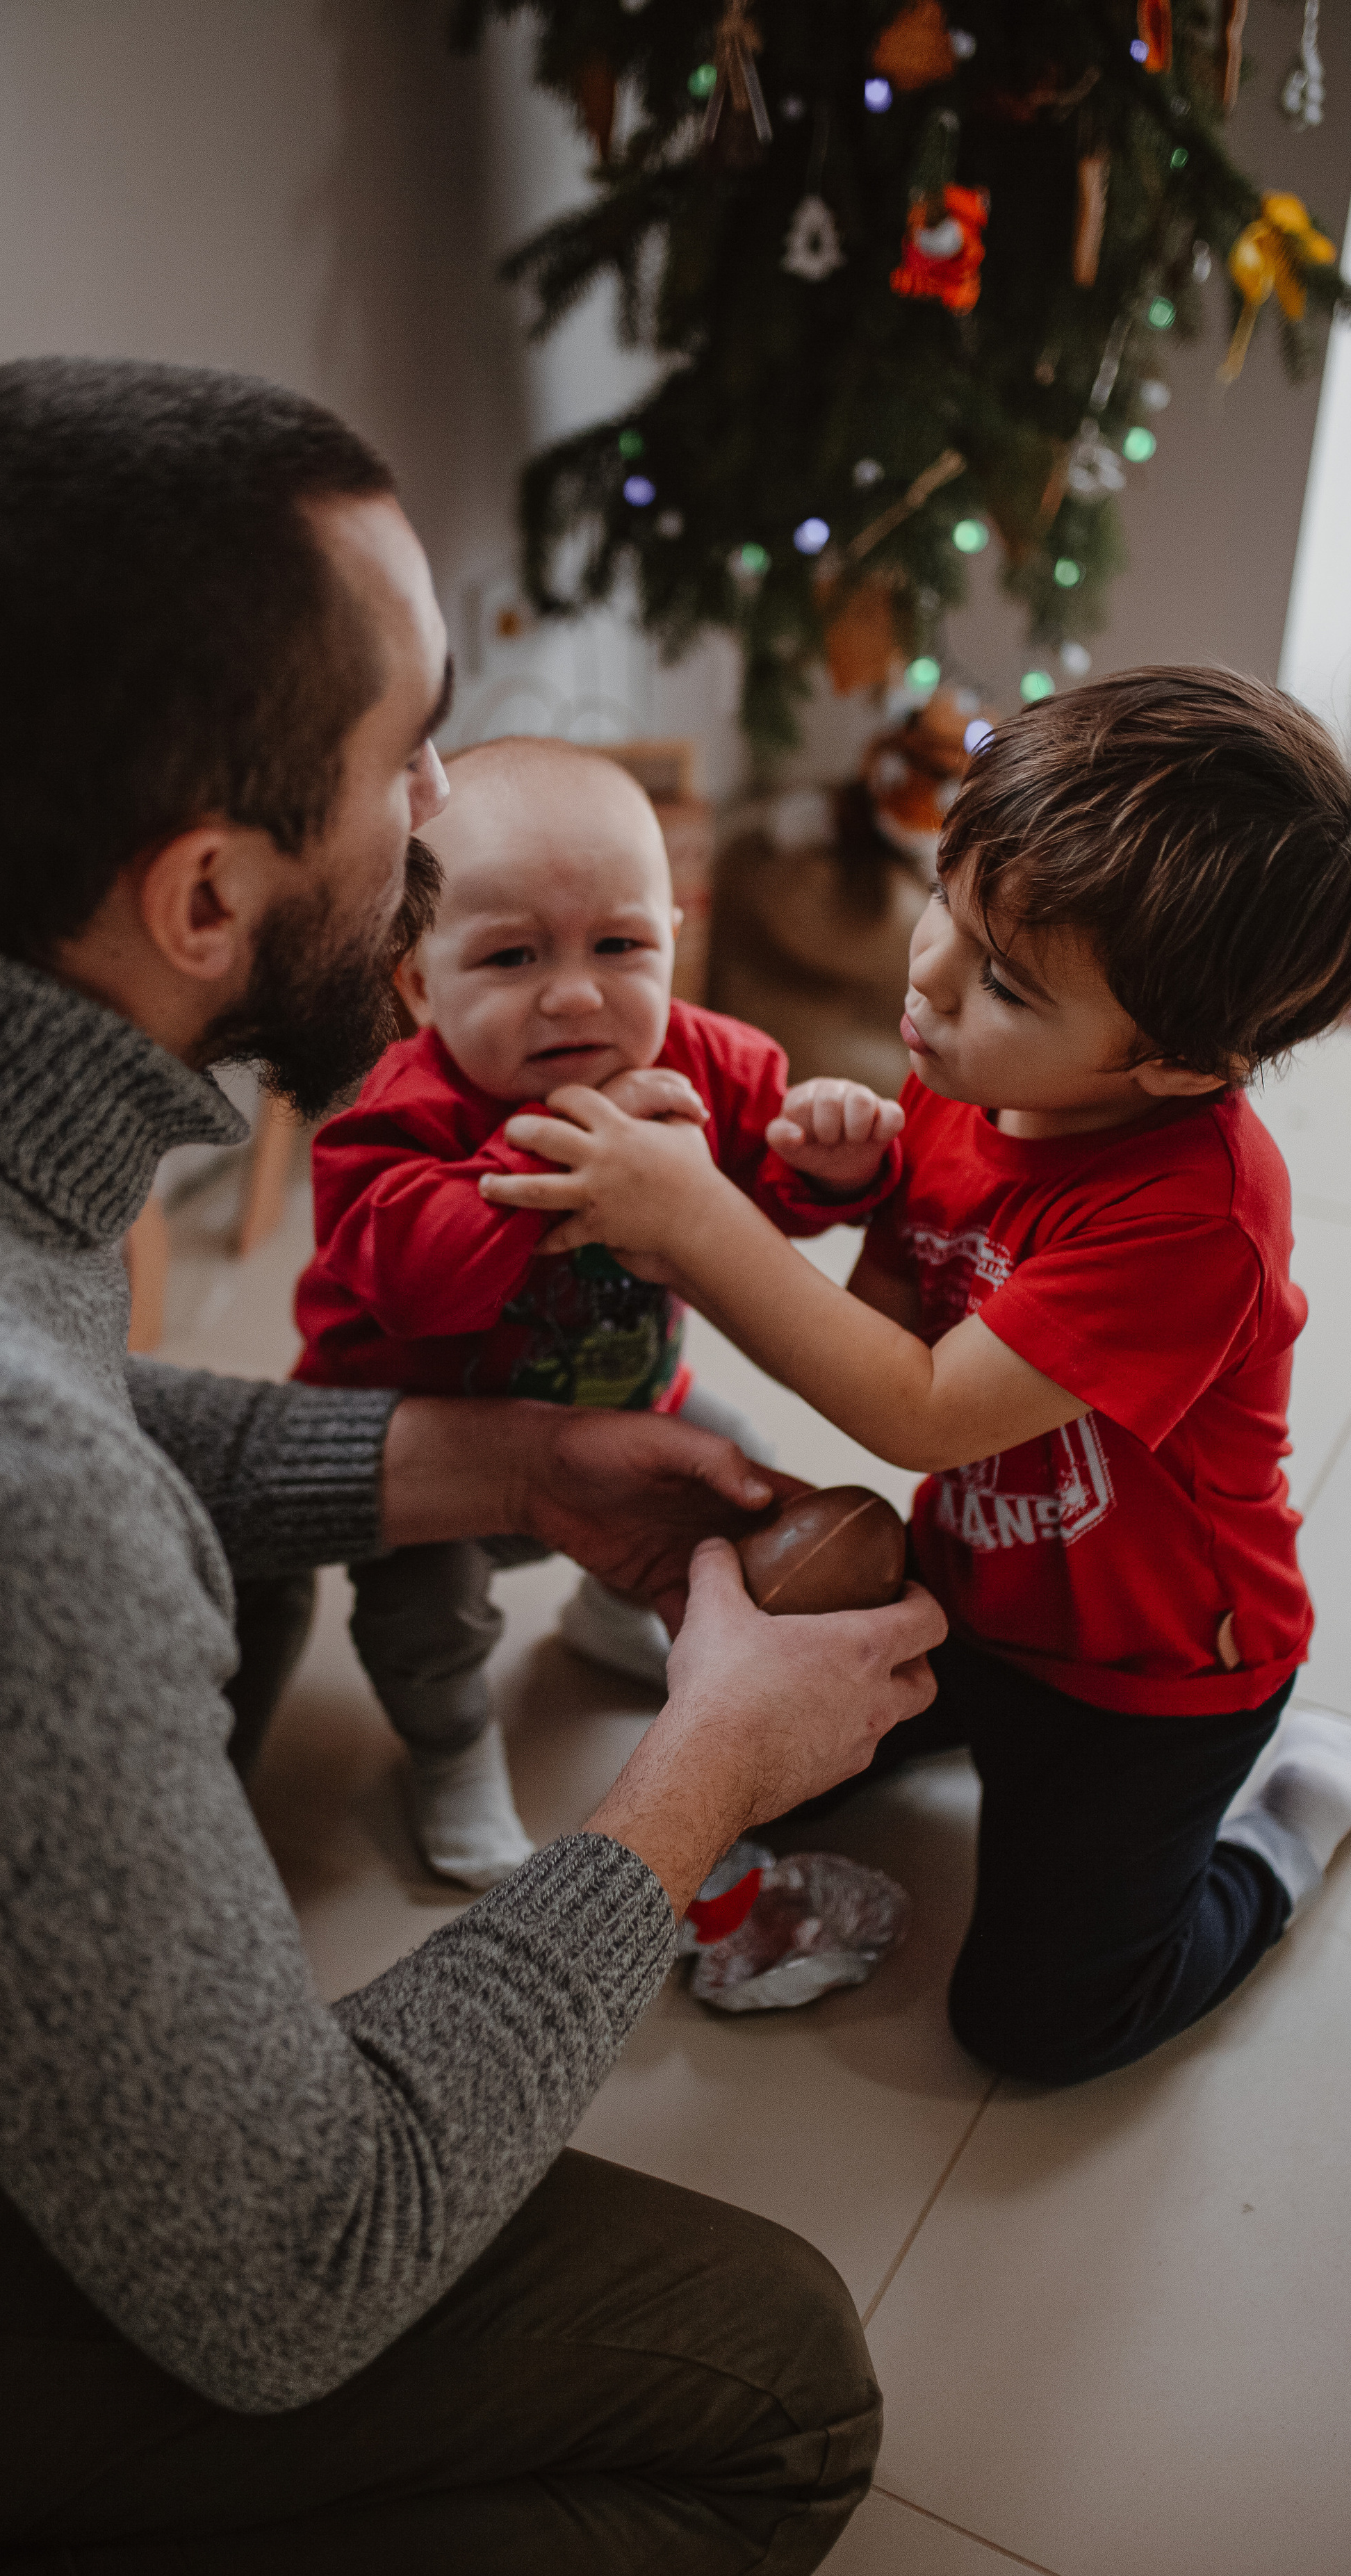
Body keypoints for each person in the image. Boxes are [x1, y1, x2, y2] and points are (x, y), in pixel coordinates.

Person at [0, 359, 948, 2576]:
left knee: (230, 1596)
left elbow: (42, 1405)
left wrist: (496, 1460)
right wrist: (693, 1791)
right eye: (406, 766)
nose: (447, 821)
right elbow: (296, 2267)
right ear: (206, 893)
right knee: (766, 2401)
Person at [480, 665, 1351, 2087]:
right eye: (946, 905)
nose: (926, 980)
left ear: (1175, 1064)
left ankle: (1274, 1834)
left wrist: (696, 1225)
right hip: (975, 1592)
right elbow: (893, 1310)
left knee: (1033, 2031)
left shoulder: (1192, 1217)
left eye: (1004, 982)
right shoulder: (967, 1070)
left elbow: (911, 1404)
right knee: (761, 1789)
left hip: (1146, 1680)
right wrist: (857, 1186)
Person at [292, 735, 899, 1889]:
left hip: (631, 1406)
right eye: (513, 956)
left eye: (620, 945)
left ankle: (617, 1618)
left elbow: (774, 1197)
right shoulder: (396, 1111)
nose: (575, 993)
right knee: (428, 1616)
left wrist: (832, 1162)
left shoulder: (709, 1062)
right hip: (433, 1456)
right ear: (420, 982)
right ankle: (452, 1747)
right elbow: (417, 1280)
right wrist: (587, 1153)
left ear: (677, 931)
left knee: (744, 1478)